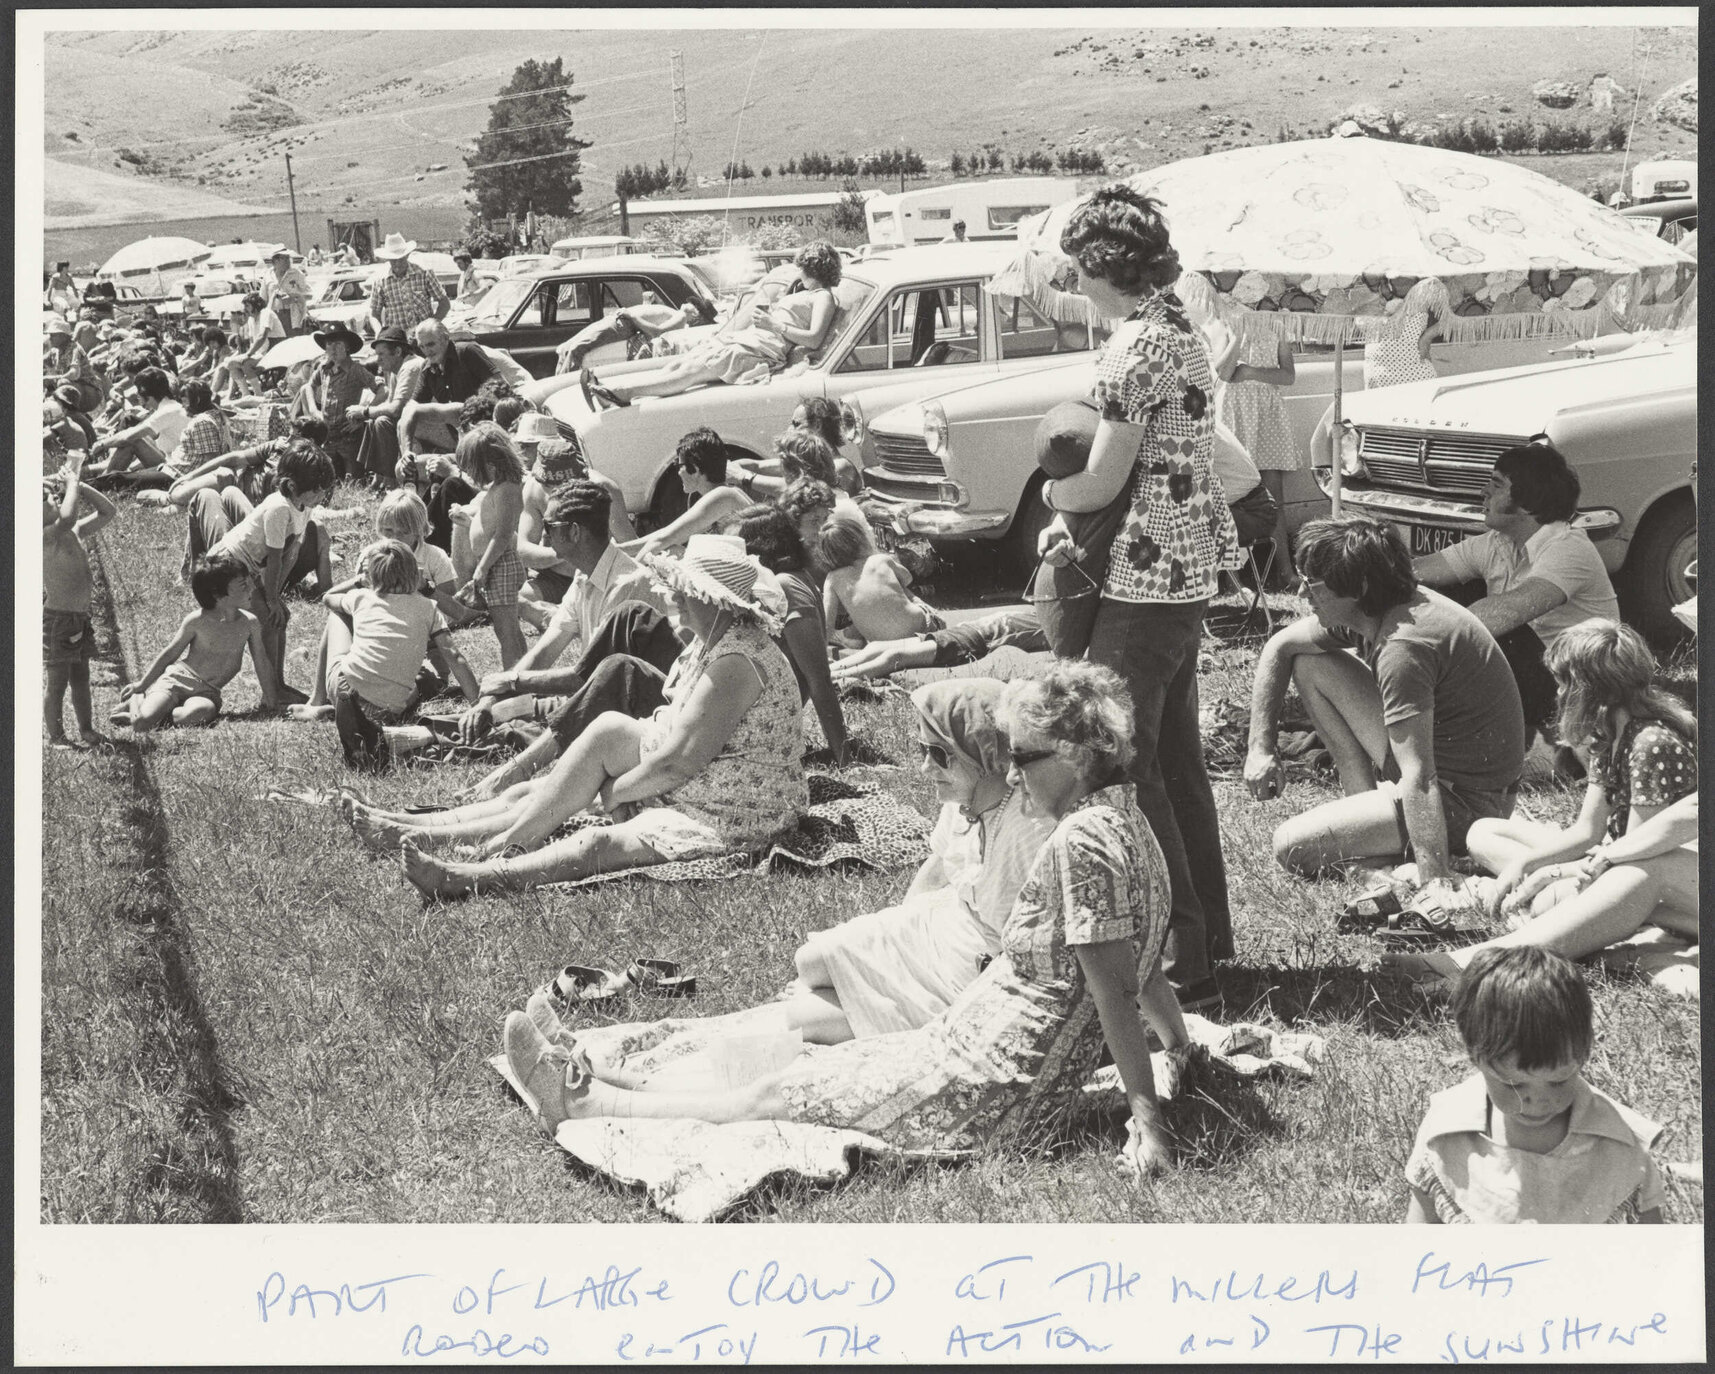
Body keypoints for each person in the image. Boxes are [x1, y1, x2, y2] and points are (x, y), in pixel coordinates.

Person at [502, 660, 1184, 1180]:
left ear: (1072, 758)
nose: (1010, 774)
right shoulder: (1126, 820)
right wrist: (1179, 1048)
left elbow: (1113, 988)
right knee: (808, 1071)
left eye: (1022, 758)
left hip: (993, 1083)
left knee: (785, 1093)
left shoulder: (1078, 842)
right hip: (970, 1051)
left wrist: (1146, 1120)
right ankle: (606, 1075)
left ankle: (587, 1106)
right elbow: (1139, 961)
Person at [1037, 183, 1241, 1010]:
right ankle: (1205, 946)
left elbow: (1099, 480)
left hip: (1143, 577)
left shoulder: (1131, 349)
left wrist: (1053, 502)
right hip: (1183, 568)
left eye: (1077, 266)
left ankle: (1177, 955)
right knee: (1176, 767)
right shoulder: (1179, 333)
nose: (1072, 280)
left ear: (1099, 266)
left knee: (1130, 768)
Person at [347, 535, 807, 896]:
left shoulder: (737, 662)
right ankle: (412, 830)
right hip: (701, 777)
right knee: (542, 788)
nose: (676, 598)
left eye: (687, 591)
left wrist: (614, 791)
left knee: (596, 845)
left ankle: (476, 872)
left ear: (717, 600)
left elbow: (679, 762)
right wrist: (609, 785)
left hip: (733, 808)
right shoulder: (717, 642)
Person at [1385, 624, 1696, 984]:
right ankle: (1563, 913)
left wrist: (1551, 873)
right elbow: (1587, 831)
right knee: (1485, 831)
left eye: (1564, 683)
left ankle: (1476, 962)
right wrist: (1525, 865)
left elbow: (1637, 854)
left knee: (1577, 891)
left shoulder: (1652, 744)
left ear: (1589, 689)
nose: (1559, 693)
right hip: (1618, 857)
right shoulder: (1610, 734)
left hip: (1652, 870)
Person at [1245, 517, 1526, 900]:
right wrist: (1260, 748)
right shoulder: (1376, 608)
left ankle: (1395, 860)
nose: (1301, 596)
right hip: (1452, 777)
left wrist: (1435, 883)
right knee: (1310, 664)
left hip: (1468, 803)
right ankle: (1367, 820)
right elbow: (1280, 645)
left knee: (1291, 845)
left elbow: (1419, 775)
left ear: (1357, 586)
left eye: (1312, 585)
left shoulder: (1404, 647)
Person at [1404, 947, 1663, 1224]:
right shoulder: (1447, 1129)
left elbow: (1654, 1251)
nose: (1538, 1101)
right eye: (1513, 1084)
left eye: (1558, 1080)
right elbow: (1419, 1236)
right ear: (1475, 1056)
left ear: (1584, 1053)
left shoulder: (1619, 1142)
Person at [451, 480, 678, 778]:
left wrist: (511, 681)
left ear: (573, 531)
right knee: (493, 715)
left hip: (627, 710)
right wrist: (491, 698)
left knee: (513, 726)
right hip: (593, 699)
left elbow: (593, 679)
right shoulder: (584, 577)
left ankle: (505, 769)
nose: (543, 536)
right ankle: (412, 736)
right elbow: (546, 651)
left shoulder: (628, 584)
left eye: (549, 525)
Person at [1412, 441, 1620, 747]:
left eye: (1496, 485)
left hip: (1580, 690)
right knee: (1441, 594)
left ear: (1527, 503)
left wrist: (1411, 638)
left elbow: (1501, 616)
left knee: (1495, 633)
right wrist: (1357, 573)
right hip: (1540, 677)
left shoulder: (1568, 547)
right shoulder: (1498, 541)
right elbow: (1416, 572)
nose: (1484, 492)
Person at [584, 242, 843, 406]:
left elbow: (814, 338)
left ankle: (621, 393)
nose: (800, 273)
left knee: (693, 371)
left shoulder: (824, 296)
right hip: (754, 340)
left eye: (803, 269)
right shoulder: (807, 292)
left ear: (814, 269)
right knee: (683, 363)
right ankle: (614, 392)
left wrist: (774, 324)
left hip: (764, 348)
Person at [314, 540, 480, 770]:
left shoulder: (361, 597)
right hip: (390, 708)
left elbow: (327, 598)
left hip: (346, 685)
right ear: (415, 572)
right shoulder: (428, 607)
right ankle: (359, 714)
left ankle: (322, 700)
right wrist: (478, 705)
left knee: (337, 615)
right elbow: (454, 656)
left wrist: (359, 582)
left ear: (372, 575)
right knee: (419, 678)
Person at [200, 443, 338, 704]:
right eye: (317, 488)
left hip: (251, 569)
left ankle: (278, 683)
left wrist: (275, 596)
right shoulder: (279, 508)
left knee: (279, 618)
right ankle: (270, 694)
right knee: (268, 619)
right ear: (294, 485)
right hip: (227, 566)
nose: (322, 493)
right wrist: (269, 600)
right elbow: (273, 559)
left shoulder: (303, 507)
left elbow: (290, 555)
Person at [112, 555, 281, 730]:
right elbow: (170, 654)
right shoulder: (197, 620)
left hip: (207, 692)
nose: (251, 589)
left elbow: (261, 662)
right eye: (243, 585)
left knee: (202, 712)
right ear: (217, 594)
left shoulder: (250, 623)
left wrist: (271, 701)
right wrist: (141, 685)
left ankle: (159, 715)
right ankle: (137, 702)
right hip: (176, 681)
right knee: (140, 724)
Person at [735, 504, 847, 766]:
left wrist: (845, 758)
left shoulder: (787, 586)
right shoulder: (783, 581)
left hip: (767, 720)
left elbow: (819, 679)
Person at [43, 454, 116, 748]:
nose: (54, 500)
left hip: (78, 619)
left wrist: (81, 486)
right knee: (57, 682)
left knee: (81, 678)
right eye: (48, 500)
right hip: (59, 620)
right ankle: (57, 736)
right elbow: (69, 516)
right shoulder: (47, 535)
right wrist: (72, 481)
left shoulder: (69, 531)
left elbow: (107, 512)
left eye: (55, 497)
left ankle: (86, 729)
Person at [449, 423, 528, 669]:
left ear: (491, 464)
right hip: (496, 563)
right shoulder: (498, 488)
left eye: (473, 469)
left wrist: (482, 568)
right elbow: (492, 527)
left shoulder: (507, 489)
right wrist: (470, 523)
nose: (470, 476)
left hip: (501, 564)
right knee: (506, 630)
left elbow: (503, 534)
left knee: (507, 632)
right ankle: (523, 673)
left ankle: (514, 679)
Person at [819, 508, 943, 648]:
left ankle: (852, 638)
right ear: (861, 541)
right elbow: (908, 578)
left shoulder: (832, 579)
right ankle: (938, 623)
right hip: (918, 628)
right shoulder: (880, 560)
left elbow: (827, 624)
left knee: (857, 606)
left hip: (882, 642)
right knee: (902, 589)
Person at [621, 427, 751, 557]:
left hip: (753, 572)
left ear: (695, 469)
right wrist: (618, 550)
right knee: (672, 550)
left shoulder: (723, 497)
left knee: (669, 550)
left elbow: (662, 540)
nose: (678, 472)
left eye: (678, 465)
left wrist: (632, 568)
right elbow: (667, 534)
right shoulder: (726, 493)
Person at [166, 416, 330, 513]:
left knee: (180, 507)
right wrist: (191, 475)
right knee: (178, 495)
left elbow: (316, 506)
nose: (287, 440)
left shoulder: (321, 469)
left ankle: (180, 506)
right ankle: (164, 498)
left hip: (252, 507)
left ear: (311, 442)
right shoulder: (278, 445)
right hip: (234, 482)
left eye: (293, 438)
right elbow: (236, 458)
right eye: (289, 435)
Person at [400, 318, 496, 456]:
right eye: (422, 346)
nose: (427, 351)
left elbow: (500, 389)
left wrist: (474, 411)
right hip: (457, 432)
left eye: (431, 344)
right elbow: (411, 407)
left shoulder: (467, 352)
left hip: (485, 428)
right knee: (405, 423)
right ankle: (408, 465)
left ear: (445, 338)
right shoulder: (427, 368)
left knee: (455, 409)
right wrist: (406, 451)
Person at [731, 402, 864, 499]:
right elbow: (757, 466)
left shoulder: (840, 467)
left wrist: (745, 477)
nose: (790, 430)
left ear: (817, 425)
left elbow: (798, 492)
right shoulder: (807, 460)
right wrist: (728, 467)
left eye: (796, 424)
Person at [553, 296, 715, 373]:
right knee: (566, 348)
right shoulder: (676, 313)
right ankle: (557, 380)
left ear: (696, 314)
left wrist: (632, 316)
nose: (687, 303)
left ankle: (562, 383)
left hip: (622, 324)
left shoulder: (681, 316)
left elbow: (656, 332)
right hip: (617, 320)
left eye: (693, 305)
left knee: (576, 349)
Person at [123, 380, 232, 494]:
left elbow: (211, 462)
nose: (183, 406)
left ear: (197, 400)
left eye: (185, 402)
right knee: (127, 476)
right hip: (174, 469)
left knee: (120, 480)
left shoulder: (202, 422)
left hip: (179, 476)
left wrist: (187, 483)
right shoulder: (216, 415)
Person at [348, 325, 423, 489]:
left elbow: (396, 409)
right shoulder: (396, 369)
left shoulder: (411, 366)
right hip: (412, 420)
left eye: (381, 354)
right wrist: (364, 413)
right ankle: (379, 477)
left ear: (397, 351)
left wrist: (364, 411)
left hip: (426, 423)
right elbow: (389, 403)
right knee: (374, 420)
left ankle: (390, 480)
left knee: (381, 420)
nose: (378, 360)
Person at [296, 323, 372, 481]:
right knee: (327, 477)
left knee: (353, 480)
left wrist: (363, 414)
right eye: (329, 344)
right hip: (327, 438)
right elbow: (309, 386)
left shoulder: (356, 370)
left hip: (349, 437)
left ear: (347, 347)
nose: (333, 349)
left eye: (338, 344)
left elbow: (382, 391)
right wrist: (313, 410)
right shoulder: (323, 369)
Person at [87, 367, 188, 482]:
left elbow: (129, 437)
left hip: (173, 470)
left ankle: (101, 482)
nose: (136, 395)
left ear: (147, 395)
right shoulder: (169, 406)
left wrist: (101, 444)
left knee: (132, 440)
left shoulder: (167, 411)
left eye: (138, 391)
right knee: (133, 435)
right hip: (171, 461)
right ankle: (103, 477)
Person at [1364, 277, 1447, 391]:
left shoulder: (1423, 291)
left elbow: (1453, 319)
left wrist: (1427, 337)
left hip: (1413, 376)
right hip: (1377, 380)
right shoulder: (1369, 297)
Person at [366, 232, 450, 336]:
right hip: (396, 339)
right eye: (393, 260)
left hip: (423, 337)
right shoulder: (380, 280)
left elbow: (445, 303)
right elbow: (374, 313)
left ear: (407, 255)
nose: (397, 264)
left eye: (400, 259)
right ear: (387, 259)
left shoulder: (424, 273)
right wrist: (379, 333)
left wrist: (430, 326)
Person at [228, 292, 289, 396]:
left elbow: (262, 336)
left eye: (247, 306)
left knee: (246, 363)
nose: (245, 309)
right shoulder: (251, 319)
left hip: (274, 353)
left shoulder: (266, 313)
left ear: (256, 305)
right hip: (261, 354)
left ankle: (258, 395)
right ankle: (246, 394)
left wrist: (248, 355)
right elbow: (253, 341)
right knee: (231, 363)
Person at [44, 315, 103, 414]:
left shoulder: (75, 349)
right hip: (78, 390)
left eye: (53, 335)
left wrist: (53, 378)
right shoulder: (55, 351)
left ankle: (73, 413)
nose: (50, 338)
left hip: (89, 393)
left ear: (63, 336)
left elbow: (74, 374)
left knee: (63, 383)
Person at [268, 248, 311, 335]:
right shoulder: (268, 275)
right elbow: (263, 298)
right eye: (285, 258)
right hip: (274, 315)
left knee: (293, 342)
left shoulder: (296, 273)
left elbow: (309, 294)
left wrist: (294, 298)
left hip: (292, 315)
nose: (289, 261)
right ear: (276, 260)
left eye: (289, 258)